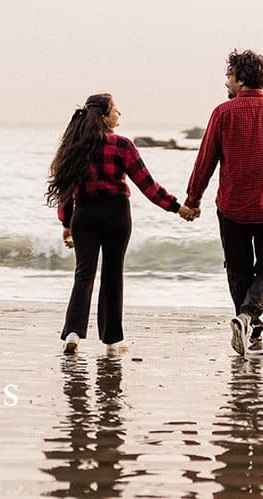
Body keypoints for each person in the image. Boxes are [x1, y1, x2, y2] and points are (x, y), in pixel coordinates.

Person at [46, 93, 198, 353]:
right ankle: (113, 341)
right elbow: (147, 185)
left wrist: (67, 223)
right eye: (116, 111)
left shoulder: (75, 146)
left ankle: (73, 333)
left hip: (84, 215)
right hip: (116, 214)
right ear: (105, 118)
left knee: (84, 274)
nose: (120, 114)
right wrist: (177, 208)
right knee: (112, 274)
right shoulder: (122, 146)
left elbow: (65, 191)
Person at [184, 49, 263, 356]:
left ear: (241, 78)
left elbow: (205, 161)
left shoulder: (223, 113)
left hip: (232, 206)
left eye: (229, 76)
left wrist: (193, 199)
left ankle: (248, 321)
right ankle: (250, 321)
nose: (226, 82)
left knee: (237, 270)